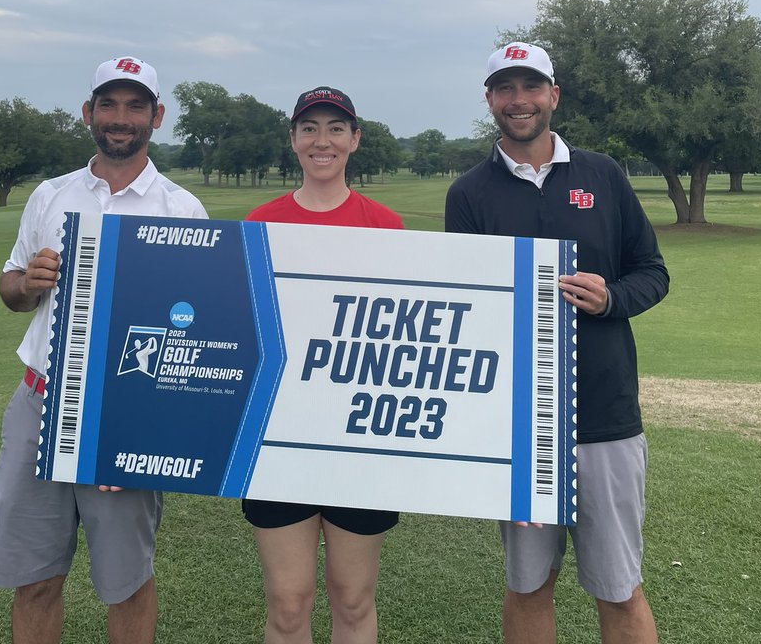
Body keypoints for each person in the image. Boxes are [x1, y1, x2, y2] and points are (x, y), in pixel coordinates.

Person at [445, 43, 669, 644]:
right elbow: (465, 306)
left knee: (620, 588)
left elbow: (652, 271)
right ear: (490, 99)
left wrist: (611, 299)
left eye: (531, 87)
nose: (519, 101)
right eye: (505, 88)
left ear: (554, 95)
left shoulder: (603, 174)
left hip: (605, 417)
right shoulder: (469, 192)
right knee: (527, 586)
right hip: (519, 426)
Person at [0, 56, 208, 644]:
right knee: (34, 579)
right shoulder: (51, 196)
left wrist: (135, 429)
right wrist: (27, 282)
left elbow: (187, 334)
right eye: (108, 104)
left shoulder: (181, 209)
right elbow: (10, 288)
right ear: (88, 113)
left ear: (156, 117)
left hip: (125, 411)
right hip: (40, 400)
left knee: (126, 582)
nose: (120, 117)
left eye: (136, 105)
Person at [244, 86, 402, 644]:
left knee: (353, 598)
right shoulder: (260, 223)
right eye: (309, 128)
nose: (322, 141)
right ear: (293, 140)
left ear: (355, 140)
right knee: (288, 602)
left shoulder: (386, 225)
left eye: (336, 128)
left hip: (360, 437)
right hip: (278, 435)